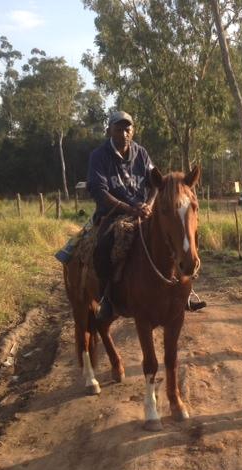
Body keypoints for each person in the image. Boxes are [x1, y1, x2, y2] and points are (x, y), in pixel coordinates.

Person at [87, 111, 155, 323]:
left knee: (172, 236)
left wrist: (149, 206)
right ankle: (107, 297)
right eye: (119, 129)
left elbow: (155, 183)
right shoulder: (98, 155)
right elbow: (99, 191)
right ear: (109, 130)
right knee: (103, 247)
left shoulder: (141, 153)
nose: (125, 133)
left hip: (143, 211)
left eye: (128, 129)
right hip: (112, 213)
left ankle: (182, 291)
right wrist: (128, 208)